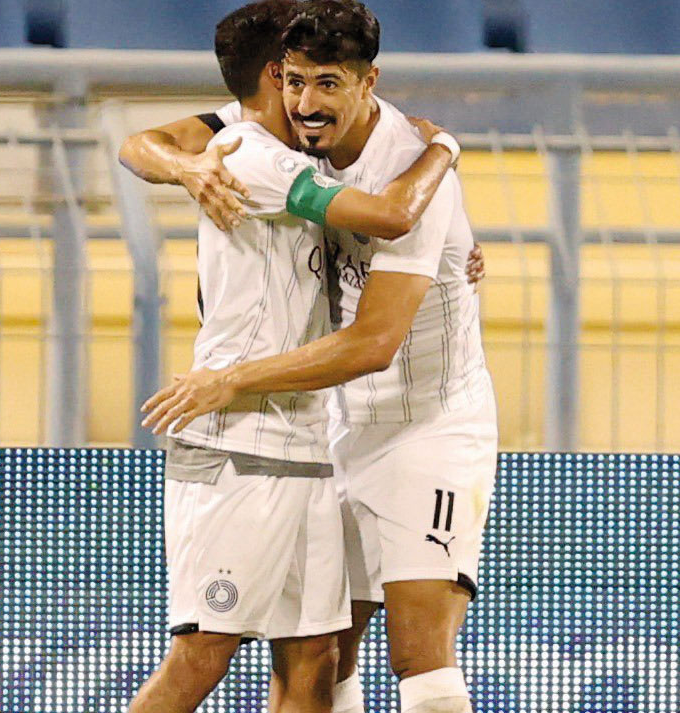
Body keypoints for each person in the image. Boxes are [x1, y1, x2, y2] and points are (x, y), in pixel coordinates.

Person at [141, 3, 498, 713]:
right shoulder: (270, 140)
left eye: (327, 83)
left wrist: (444, 165)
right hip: (327, 430)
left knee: (414, 654)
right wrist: (185, 169)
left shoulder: (405, 167)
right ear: (275, 77)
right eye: (296, 80)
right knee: (319, 659)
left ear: (369, 82)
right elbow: (140, 142)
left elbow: (372, 342)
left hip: (427, 427)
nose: (307, 102)